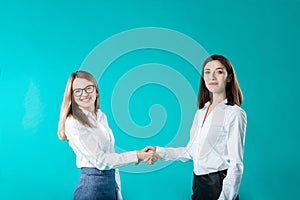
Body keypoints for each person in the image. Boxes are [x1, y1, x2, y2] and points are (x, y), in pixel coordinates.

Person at [146, 55, 247, 200]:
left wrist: (225, 198)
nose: (212, 76)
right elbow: (190, 152)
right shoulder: (201, 112)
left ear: (229, 77)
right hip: (199, 185)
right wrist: (158, 151)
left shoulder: (234, 113)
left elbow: (236, 164)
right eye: (207, 72)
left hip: (218, 186)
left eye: (219, 72)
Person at [58, 70, 161, 200]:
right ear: (71, 96)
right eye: (77, 91)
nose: (84, 94)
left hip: (109, 180)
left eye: (88, 88)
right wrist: (136, 155)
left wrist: (140, 155)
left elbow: (109, 155)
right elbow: (101, 161)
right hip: (93, 187)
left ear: (96, 90)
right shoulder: (73, 122)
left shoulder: (100, 116)